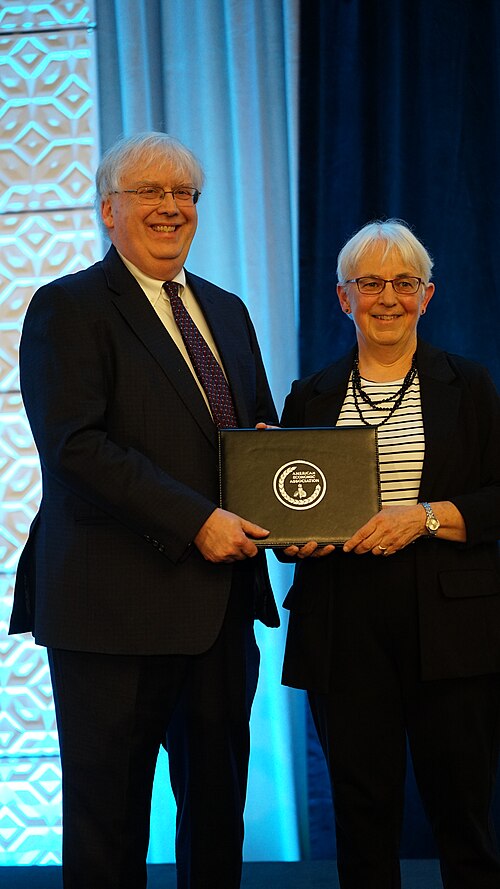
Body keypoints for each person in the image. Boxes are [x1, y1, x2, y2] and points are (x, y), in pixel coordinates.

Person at [9, 131, 279, 889]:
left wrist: (289, 501)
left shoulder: (225, 309)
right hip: (111, 611)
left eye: (183, 193)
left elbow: (248, 437)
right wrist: (197, 519)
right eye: (150, 193)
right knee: (109, 823)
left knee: (217, 817)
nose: (169, 207)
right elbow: (76, 447)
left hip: (221, 610)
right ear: (108, 210)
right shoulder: (67, 307)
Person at [278, 219, 500, 889]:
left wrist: (425, 517)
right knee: (362, 812)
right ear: (343, 297)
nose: (387, 298)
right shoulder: (308, 396)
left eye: (404, 283)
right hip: (342, 625)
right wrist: (290, 535)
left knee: (462, 814)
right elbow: (290, 514)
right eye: (369, 282)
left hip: (454, 626)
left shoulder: (471, 385)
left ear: (426, 297)